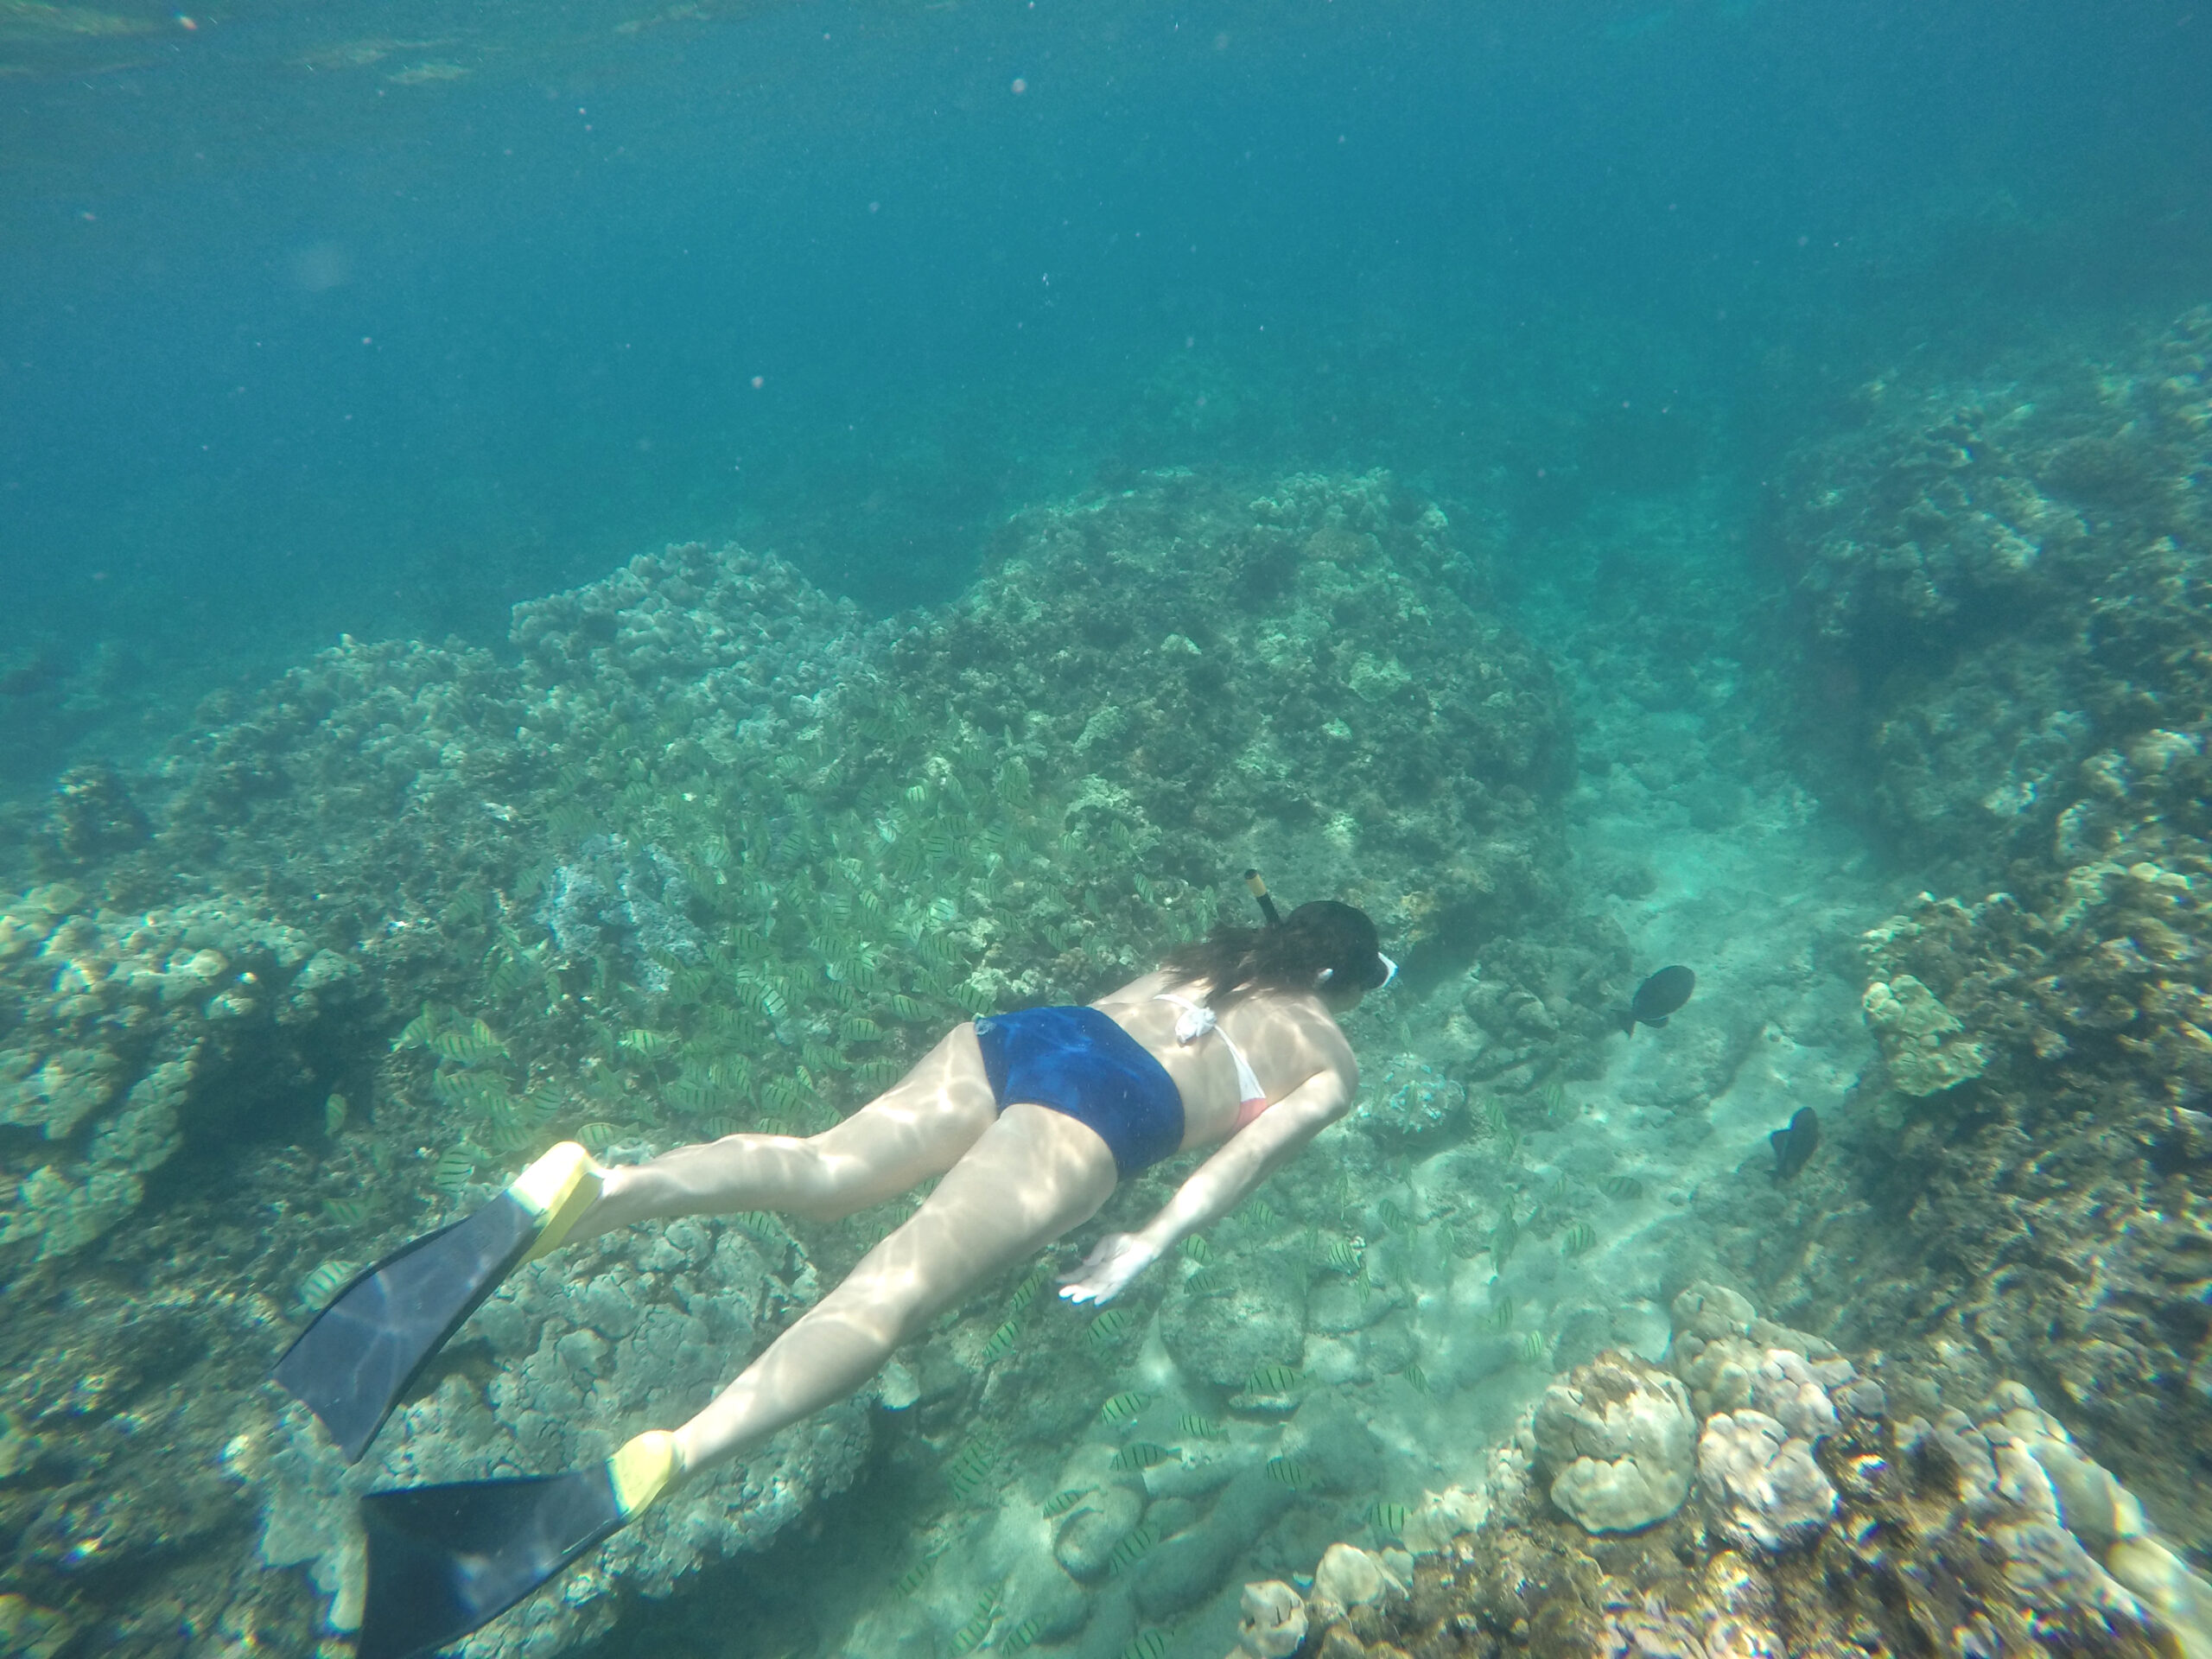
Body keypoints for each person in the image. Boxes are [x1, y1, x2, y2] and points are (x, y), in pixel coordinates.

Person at [273, 878, 1395, 1659]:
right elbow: (1233, 1171)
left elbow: (1162, 1018)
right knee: (890, 1292)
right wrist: (1146, 1242)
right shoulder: (1332, 1061)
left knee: (820, 1167)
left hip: (1026, 1038)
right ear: (1342, 984)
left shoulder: (1204, 959)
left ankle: (593, 1190)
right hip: (1105, 1114)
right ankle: (677, 1455)